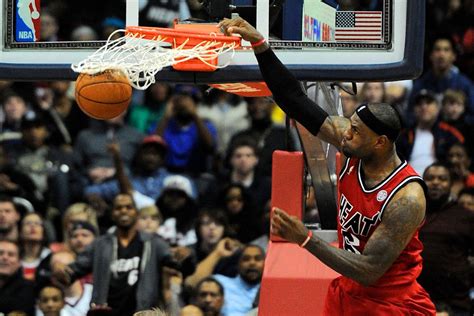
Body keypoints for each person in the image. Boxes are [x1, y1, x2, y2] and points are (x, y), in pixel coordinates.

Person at [219, 17, 436, 314]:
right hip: (348, 290)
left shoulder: (407, 198)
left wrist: (304, 238)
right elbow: (293, 99)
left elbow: (369, 270)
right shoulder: (350, 143)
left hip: (392, 301)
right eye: (350, 125)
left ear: (380, 143)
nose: (345, 133)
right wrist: (260, 45)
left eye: (356, 131)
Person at [52, 193, 171, 316]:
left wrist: (185, 255)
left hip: (142, 312)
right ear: (112, 213)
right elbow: (70, 273)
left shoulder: (154, 243)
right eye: (118, 208)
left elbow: (177, 262)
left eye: (128, 207)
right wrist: (60, 270)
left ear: (136, 212)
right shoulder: (99, 245)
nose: (123, 211)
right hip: (105, 312)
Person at [418, 163, 473, 314]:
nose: (435, 182)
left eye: (442, 179)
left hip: (455, 304)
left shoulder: (465, 216)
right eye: (430, 178)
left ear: (451, 184)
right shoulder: (413, 212)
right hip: (415, 300)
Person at [0, 239, 35, 315]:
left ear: (19, 262)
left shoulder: (27, 287)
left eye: (11, 254)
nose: (5, 257)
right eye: (0, 253)